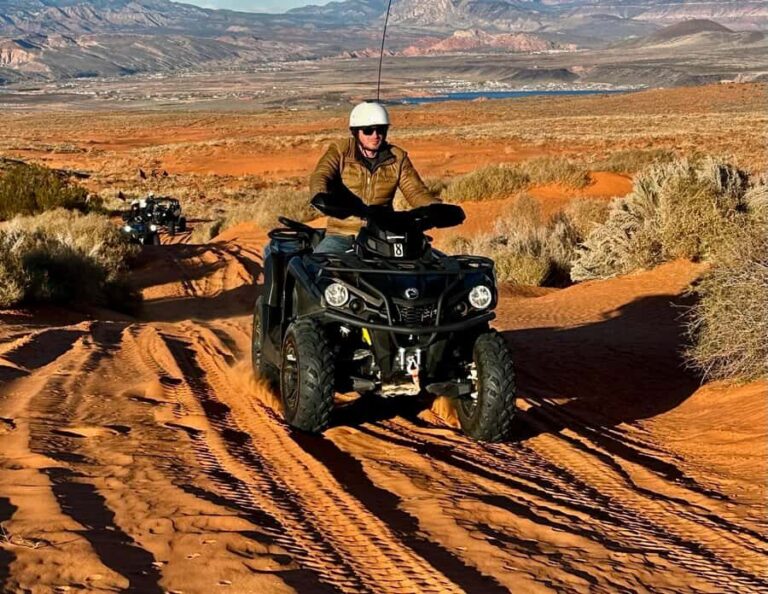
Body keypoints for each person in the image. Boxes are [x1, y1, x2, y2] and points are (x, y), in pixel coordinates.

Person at [310, 101, 440, 253]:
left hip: (384, 233)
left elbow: (415, 192)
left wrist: (436, 209)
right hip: (344, 233)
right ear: (355, 132)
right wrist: (321, 196)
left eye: (381, 130)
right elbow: (321, 175)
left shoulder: (397, 157)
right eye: (368, 130)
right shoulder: (341, 151)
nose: (375, 135)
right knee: (319, 265)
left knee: (428, 265)